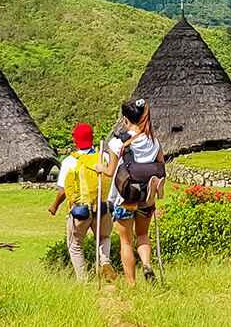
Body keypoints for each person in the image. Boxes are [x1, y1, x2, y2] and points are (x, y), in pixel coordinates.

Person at [103, 98, 166, 285]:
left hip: (125, 199)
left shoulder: (117, 143)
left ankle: (131, 284)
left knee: (126, 241)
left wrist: (100, 167)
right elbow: (161, 166)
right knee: (143, 235)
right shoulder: (154, 142)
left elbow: (110, 171)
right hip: (147, 198)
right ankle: (146, 265)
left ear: (125, 119)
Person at [48, 122, 116, 282]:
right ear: (91, 138)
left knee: (75, 245)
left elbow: (63, 190)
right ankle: (105, 261)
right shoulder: (103, 157)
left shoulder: (69, 162)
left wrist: (54, 206)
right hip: (103, 207)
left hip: (81, 212)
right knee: (104, 237)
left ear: (75, 140)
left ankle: (83, 279)